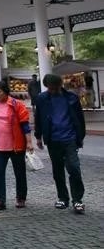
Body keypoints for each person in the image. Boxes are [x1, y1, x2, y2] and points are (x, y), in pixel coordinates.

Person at [34, 73, 86, 214]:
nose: (53, 90)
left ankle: (77, 200)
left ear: (60, 85)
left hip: (70, 138)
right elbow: (38, 118)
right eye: (50, 88)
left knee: (74, 168)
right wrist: (38, 136)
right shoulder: (42, 99)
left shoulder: (71, 98)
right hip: (53, 139)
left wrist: (80, 136)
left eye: (55, 87)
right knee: (58, 170)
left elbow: (79, 118)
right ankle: (63, 198)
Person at [0, 80, 33, 211]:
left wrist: (29, 142)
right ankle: (0, 199)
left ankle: (21, 197)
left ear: (5, 91)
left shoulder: (16, 104)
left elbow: (25, 125)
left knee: (19, 173)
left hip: (16, 146)